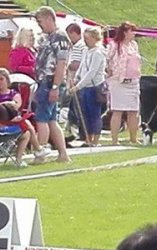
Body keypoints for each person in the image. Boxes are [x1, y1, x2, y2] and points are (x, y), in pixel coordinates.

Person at [33, 6, 71, 163]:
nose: (40, 26)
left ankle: (41, 152)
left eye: (41, 22)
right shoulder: (48, 37)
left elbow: (61, 64)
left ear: (49, 18)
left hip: (50, 82)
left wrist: (55, 86)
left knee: (41, 118)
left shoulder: (60, 38)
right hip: (45, 81)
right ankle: (63, 153)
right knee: (51, 119)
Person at [0, 68, 40, 163]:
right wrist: (5, 104)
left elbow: (16, 106)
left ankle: (34, 152)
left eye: (1, 79)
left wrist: (4, 105)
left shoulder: (14, 94)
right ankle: (37, 150)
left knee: (25, 125)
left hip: (10, 122)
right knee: (26, 126)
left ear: (7, 80)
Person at [69, 27, 107, 147]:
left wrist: (78, 86)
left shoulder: (98, 52)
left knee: (94, 113)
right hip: (85, 86)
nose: (86, 41)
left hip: (95, 86)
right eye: (84, 38)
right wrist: (76, 79)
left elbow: (92, 72)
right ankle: (88, 137)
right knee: (85, 113)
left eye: (88, 38)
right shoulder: (86, 51)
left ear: (95, 38)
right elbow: (82, 67)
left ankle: (95, 139)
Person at [106, 21, 142, 146]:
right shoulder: (114, 45)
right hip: (118, 81)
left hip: (133, 81)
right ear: (125, 32)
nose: (134, 33)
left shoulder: (134, 45)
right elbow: (106, 58)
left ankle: (133, 138)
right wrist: (108, 70)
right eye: (132, 31)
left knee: (133, 111)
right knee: (118, 111)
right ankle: (114, 140)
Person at [66, 23, 87, 143]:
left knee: (77, 108)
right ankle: (76, 131)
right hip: (74, 80)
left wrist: (68, 65)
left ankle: (81, 132)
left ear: (74, 33)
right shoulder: (76, 46)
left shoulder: (80, 46)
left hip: (77, 80)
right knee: (73, 108)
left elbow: (78, 63)